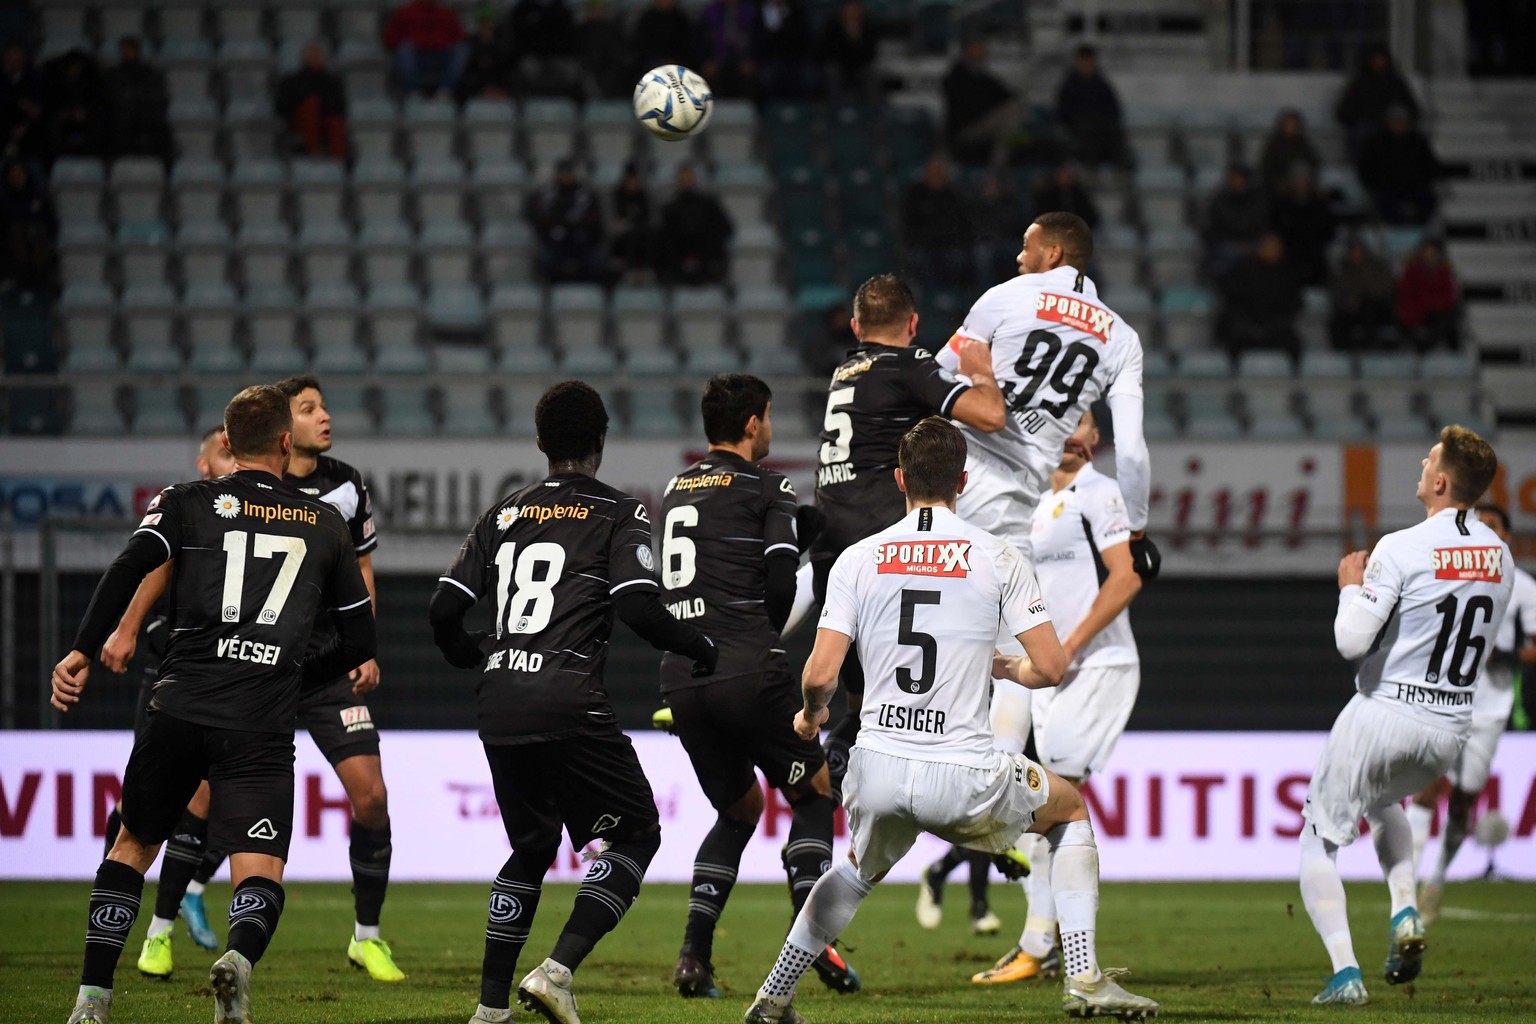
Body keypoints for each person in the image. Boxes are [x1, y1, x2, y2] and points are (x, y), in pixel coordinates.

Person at [741, 416, 1160, 1024]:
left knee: (855, 871)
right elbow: (1050, 666)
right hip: (964, 772)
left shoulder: (858, 558)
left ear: (898, 479)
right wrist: (1003, 667)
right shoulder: (997, 555)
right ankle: (1085, 978)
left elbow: (818, 673)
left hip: (879, 764)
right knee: (1069, 811)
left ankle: (775, 995)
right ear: (963, 480)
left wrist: (811, 717)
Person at [55, 385, 376, 1024]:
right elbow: (360, 640)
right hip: (260, 720)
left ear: (226, 443)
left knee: (130, 848)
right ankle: (237, 962)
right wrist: (293, 675)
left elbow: (127, 567)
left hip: (179, 705)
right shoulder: (326, 523)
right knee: (259, 868)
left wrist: (84, 649)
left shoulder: (184, 503)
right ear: (286, 442)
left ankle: (92, 998)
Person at [429, 380, 720, 1024]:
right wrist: (698, 642)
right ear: (600, 442)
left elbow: (442, 609)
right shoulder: (619, 512)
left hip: (499, 698)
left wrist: (470, 651)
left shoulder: (504, 513)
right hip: (568, 699)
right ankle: (556, 972)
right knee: (638, 832)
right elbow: (639, 607)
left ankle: (489, 1008)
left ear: (540, 443)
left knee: (532, 847)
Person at [655, 374, 860, 1000]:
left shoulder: (676, 487)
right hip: (746, 666)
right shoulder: (767, 484)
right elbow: (776, 584)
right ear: (752, 424)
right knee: (816, 792)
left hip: (682, 675)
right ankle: (813, 937)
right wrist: (759, 635)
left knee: (740, 809)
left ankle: (693, 956)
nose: (770, 429)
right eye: (768, 418)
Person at [1301, 426, 1512, 1006]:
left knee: (1316, 841)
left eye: (1429, 460)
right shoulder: (1501, 556)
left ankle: (1345, 975)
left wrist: (1350, 585)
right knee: (1383, 801)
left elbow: (1351, 641)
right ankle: (1405, 910)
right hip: (1449, 731)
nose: (1421, 464)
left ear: (1441, 481)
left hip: (1385, 711)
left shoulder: (1399, 546)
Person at [805, 274, 1005, 803]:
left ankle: (832, 781)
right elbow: (990, 415)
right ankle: (958, 781)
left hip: (832, 543)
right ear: (913, 324)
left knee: (858, 696)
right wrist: (981, 373)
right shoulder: (909, 365)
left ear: (855, 327)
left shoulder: (844, 370)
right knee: (952, 669)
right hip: (884, 543)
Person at [964, 408, 1145, 983]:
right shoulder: (1026, 495)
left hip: (1096, 668)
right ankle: (1054, 946)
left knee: (1056, 806)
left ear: (1094, 436)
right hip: (1045, 674)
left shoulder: (1100, 491)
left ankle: (1039, 946)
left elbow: (1127, 577)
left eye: (1081, 420)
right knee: (1048, 809)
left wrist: (1065, 646)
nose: (1069, 428)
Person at [97, 427, 239, 976]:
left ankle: (159, 934)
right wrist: (128, 628)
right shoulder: (189, 511)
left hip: (225, 679)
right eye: (220, 450)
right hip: (168, 673)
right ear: (203, 464)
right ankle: (113, 897)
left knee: (202, 799)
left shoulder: (263, 517)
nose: (230, 457)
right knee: (138, 806)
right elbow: (151, 569)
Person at [274, 375, 402, 982]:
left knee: (371, 796)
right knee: (207, 801)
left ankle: (367, 938)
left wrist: (364, 647)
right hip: (262, 667)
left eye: (323, 405)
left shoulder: (346, 484)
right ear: (283, 428)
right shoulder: (254, 485)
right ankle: (166, 922)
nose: (324, 416)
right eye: (308, 409)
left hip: (328, 670)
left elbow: (363, 568)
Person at [1408, 502, 1536, 922]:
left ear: (1509, 538)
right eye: (1482, 527)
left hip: (1491, 709)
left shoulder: (1524, 587)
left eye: (1496, 527)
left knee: (1463, 801)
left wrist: (1509, 655)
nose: (1489, 534)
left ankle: (1438, 879)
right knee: (1429, 786)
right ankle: (1406, 886)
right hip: (1445, 698)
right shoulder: (1453, 581)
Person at [1216, 232, 1301, 359]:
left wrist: (1273, 325)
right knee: (1233, 337)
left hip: (1275, 328)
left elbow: (1293, 303)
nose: (1272, 250)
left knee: (1293, 343)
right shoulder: (1244, 268)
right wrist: (1250, 326)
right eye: (1268, 245)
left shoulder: (1286, 273)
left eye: (1275, 246)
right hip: (1246, 325)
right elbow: (1233, 297)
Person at [524, 158, 606, 284]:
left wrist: (569, 225)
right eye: (564, 173)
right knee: (546, 262)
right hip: (554, 240)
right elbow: (537, 216)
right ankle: (551, 293)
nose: (566, 176)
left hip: (582, 240)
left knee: (595, 263)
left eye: (569, 173)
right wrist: (560, 225)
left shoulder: (586, 194)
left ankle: (590, 291)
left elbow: (595, 220)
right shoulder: (546, 194)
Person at [1336, 44, 1419, 165]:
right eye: (1376, 59)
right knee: (1362, 133)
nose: (1379, 63)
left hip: (1392, 127)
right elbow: (1342, 111)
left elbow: (1413, 110)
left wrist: (1399, 121)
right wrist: (1359, 118)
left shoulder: (1397, 84)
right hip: (1368, 127)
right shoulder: (1359, 84)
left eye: (1382, 59)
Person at [901, 156, 974, 290]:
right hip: (923, 243)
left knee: (958, 258)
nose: (936, 176)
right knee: (920, 259)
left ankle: (953, 297)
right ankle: (931, 297)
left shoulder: (953, 195)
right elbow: (910, 224)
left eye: (939, 172)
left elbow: (961, 224)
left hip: (949, 243)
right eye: (933, 172)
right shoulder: (915, 194)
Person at [1358, 106, 1440, 226]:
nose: (1399, 125)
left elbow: (1430, 166)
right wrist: (1377, 182)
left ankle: (1419, 228)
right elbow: (1366, 168)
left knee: (1428, 199)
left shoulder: (1418, 141)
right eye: (1395, 121)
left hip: (1415, 186)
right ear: (1388, 123)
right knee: (1385, 202)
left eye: (1402, 121)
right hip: (1387, 187)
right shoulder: (1376, 142)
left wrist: (1422, 180)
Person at [941, 39, 1018, 167]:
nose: (979, 57)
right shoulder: (955, 77)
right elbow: (968, 104)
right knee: (1010, 117)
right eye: (975, 53)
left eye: (982, 54)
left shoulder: (983, 76)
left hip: (986, 127)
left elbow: (1007, 95)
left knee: (1013, 111)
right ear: (966, 54)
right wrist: (989, 104)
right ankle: (999, 166)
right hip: (965, 130)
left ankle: (1004, 159)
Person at [1054, 45, 1127, 170]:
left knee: (1116, 134)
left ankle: (1121, 173)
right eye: (1083, 62)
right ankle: (1091, 172)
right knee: (1087, 132)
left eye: (1089, 62)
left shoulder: (1101, 85)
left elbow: (1114, 109)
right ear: (1077, 63)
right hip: (1079, 127)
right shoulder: (1068, 86)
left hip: (1102, 126)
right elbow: (1062, 112)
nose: (1086, 66)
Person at [657, 164, 732, 285]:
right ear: (678, 182)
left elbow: (726, 228)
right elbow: (665, 236)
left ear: (694, 181)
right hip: (679, 258)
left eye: (688, 179)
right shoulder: (670, 208)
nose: (686, 183)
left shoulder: (708, 204)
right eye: (683, 180)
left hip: (706, 256)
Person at [103, 36, 172, 164]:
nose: (127, 53)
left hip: (146, 118)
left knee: (161, 132)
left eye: (130, 50)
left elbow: (158, 99)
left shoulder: (150, 74)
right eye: (125, 50)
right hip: (119, 119)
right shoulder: (113, 75)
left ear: (137, 51)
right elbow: (108, 99)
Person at [276, 43, 348, 160]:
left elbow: (339, 106)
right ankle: (313, 151)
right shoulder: (291, 80)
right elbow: (282, 106)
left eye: (317, 56)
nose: (314, 59)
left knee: (336, 122)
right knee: (311, 105)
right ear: (303, 58)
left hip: (325, 119)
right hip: (299, 122)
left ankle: (338, 162)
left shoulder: (331, 81)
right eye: (311, 56)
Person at [383, 0, 468, 98]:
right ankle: (413, 92)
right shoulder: (405, 12)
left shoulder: (446, 13)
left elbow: (459, 37)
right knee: (404, 49)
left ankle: (446, 91)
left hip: (441, 57)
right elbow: (389, 38)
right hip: (416, 58)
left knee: (461, 50)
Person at [1269, 166, 1336, 287]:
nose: (1301, 182)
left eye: (1304, 178)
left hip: (1315, 250)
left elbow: (1328, 229)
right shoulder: (1283, 204)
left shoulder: (1319, 204)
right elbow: (1276, 227)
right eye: (1298, 178)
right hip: (1290, 251)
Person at [1328, 235, 1397, 351]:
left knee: (1369, 309)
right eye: (1352, 252)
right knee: (1336, 322)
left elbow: (1387, 286)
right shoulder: (1344, 271)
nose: (1355, 255)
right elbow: (1339, 294)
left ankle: (1371, 346)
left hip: (1376, 307)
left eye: (1358, 251)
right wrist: (1349, 301)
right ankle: (1345, 350)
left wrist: (1366, 294)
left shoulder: (1376, 267)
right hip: (1352, 310)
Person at [1200, 165, 1268, 279]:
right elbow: (1211, 231)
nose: (1236, 182)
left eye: (1239, 178)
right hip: (1227, 246)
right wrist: (1235, 245)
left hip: (1253, 245)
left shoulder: (1258, 201)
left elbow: (1262, 226)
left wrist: (1248, 245)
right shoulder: (1218, 202)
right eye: (1233, 178)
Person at [0, 159, 58, 290]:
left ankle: (37, 274)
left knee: (39, 231)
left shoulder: (38, 197)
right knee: (18, 231)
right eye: (13, 176)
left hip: (37, 241)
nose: (17, 178)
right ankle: (21, 273)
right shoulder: (4, 201)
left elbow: (50, 221)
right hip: (11, 247)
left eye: (20, 174)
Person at [1396, 239, 1460, 350]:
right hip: (1416, 313)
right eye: (1426, 253)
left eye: (1432, 254)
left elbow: (1449, 296)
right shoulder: (1412, 270)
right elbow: (1405, 296)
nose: (1429, 257)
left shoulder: (1444, 272)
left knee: (1448, 320)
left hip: (1437, 313)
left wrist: (1432, 304)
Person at [509, 0, 580, 98]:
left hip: (559, 58)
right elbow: (518, 40)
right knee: (524, 68)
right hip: (533, 58)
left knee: (573, 70)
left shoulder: (562, 9)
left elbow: (569, 42)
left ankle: (583, 111)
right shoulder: (523, 9)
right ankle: (520, 110)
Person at [696, 0, 762, 98]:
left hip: (743, 57)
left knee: (749, 76)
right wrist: (707, 60)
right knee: (711, 75)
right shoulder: (710, 12)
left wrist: (751, 60)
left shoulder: (751, 12)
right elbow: (701, 40)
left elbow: (758, 39)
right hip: (717, 58)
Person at [818, 0, 877, 99]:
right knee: (832, 71)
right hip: (839, 64)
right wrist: (847, 38)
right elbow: (828, 52)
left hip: (860, 65)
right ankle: (835, 106)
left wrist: (857, 40)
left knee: (871, 73)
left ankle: (873, 109)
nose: (851, 12)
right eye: (848, 9)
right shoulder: (832, 25)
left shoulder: (868, 25)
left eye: (854, 9)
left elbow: (871, 53)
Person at [1258, 108, 1320, 198]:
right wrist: (1280, 182)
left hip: (1302, 185)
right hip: (1280, 186)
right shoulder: (1274, 145)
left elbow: (1314, 163)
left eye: (1294, 124)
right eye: (1288, 124)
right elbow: (1267, 169)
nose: (1291, 127)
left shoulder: (1303, 143)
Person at [457, 8, 516, 101]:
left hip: (498, 84)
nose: (485, 27)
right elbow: (470, 69)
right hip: (478, 85)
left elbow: (505, 67)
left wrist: (496, 88)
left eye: (488, 23)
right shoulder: (471, 44)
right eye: (483, 24)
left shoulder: (501, 45)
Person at [634, 0, 697, 77]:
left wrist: (674, 59)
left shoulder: (681, 18)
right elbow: (642, 43)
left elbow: (686, 43)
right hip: (653, 60)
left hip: (677, 60)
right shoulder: (647, 18)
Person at [1031, 163, 1099, 231]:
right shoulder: (1048, 195)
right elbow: (1042, 216)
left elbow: (1090, 216)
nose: (1065, 178)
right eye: (1062, 175)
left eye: (1068, 176)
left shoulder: (1079, 194)